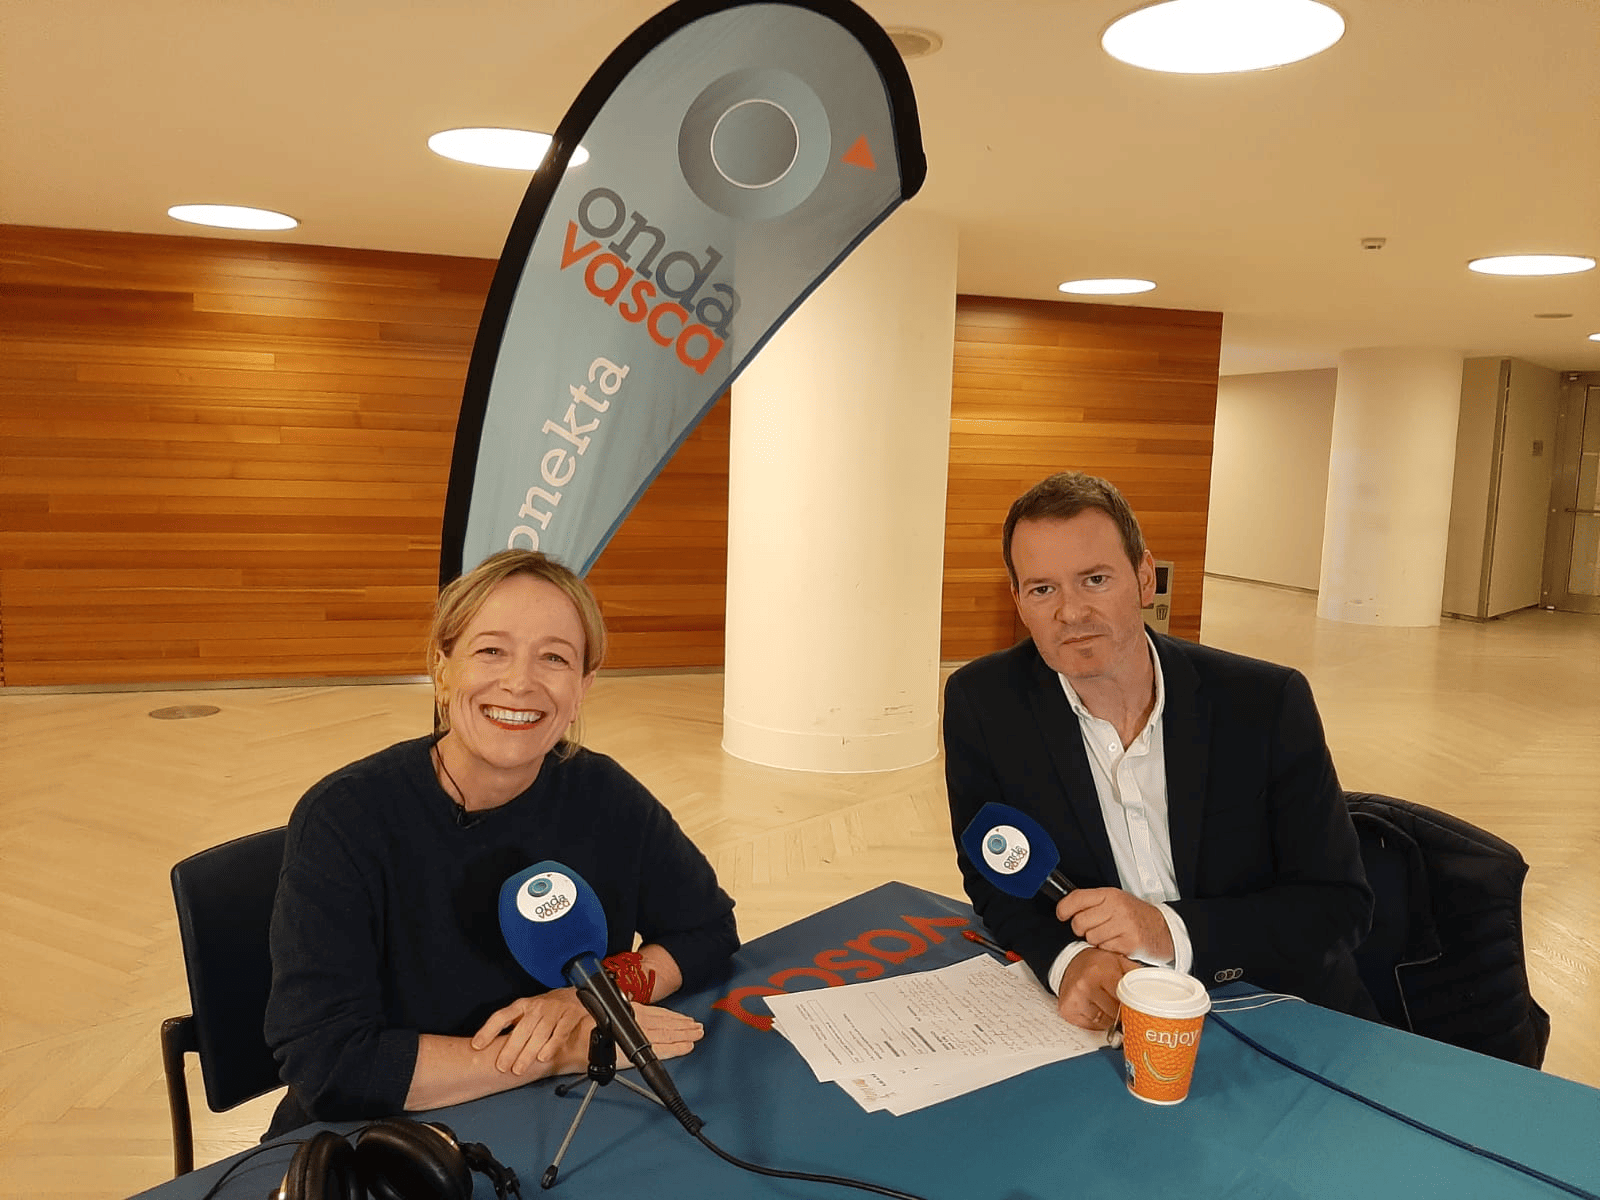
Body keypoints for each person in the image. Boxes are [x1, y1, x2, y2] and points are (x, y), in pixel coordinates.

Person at [264, 549, 738, 1137]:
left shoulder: (605, 794)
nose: (519, 683)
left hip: (565, 1117)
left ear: (583, 686)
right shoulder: (344, 819)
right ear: (442, 668)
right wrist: (561, 1049)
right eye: (491, 650)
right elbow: (330, 1065)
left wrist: (593, 999)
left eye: (554, 658)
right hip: (380, 1137)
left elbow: (707, 930)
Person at [943, 471, 1376, 1035]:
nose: (1070, 612)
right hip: (1111, 1016)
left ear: (1145, 579)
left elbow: (1338, 907)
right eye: (1042, 589)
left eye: (1095, 580)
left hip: (1275, 1006)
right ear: (1018, 601)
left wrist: (1166, 930)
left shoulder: (1264, 703)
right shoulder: (984, 704)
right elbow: (995, 871)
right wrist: (1068, 960)